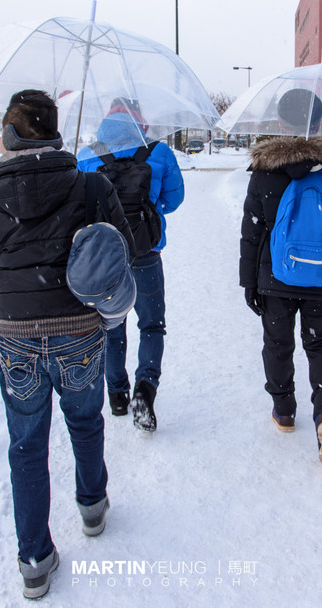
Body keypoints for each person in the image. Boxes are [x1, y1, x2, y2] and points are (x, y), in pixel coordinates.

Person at [0, 89, 134, 599]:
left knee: (27, 445)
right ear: (56, 132)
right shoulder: (91, 188)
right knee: (85, 421)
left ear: (9, 137)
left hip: (17, 343)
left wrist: (5, 307)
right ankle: (93, 506)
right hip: (80, 333)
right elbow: (120, 254)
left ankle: (35, 558)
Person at [238, 89, 322, 463]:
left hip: (276, 278)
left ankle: (284, 411)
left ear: (280, 124)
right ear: (319, 121)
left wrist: (249, 282)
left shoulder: (266, 170)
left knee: (278, 343)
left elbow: (251, 231)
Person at [77, 98, 185, 432]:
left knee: (112, 326)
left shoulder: (86, 155)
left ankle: (118, 395)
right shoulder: (159, 151)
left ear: (106, 117)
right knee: (151, 325)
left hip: (105, 256)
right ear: (141, 117)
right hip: (146, 253)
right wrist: (149, 212)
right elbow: (175, 199)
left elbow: (79, 208)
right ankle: (145, 389)